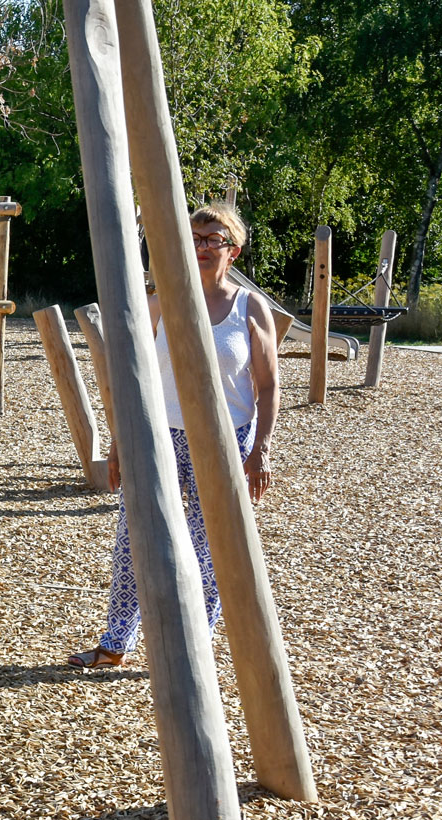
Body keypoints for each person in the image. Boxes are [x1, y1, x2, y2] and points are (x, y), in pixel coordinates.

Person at [68, 204, 279, 668]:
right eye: (195, 238)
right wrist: (122, 440)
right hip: (159, 435)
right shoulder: (162, 301)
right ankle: (114, 643)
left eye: (212, 239)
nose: (202, 247)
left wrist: (260, 449)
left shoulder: (250, 307)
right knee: (135, 536)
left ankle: (195, 649)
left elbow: (267, 386)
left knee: (212, 545)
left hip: (227, 439)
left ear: (234, 250)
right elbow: (135, 377)